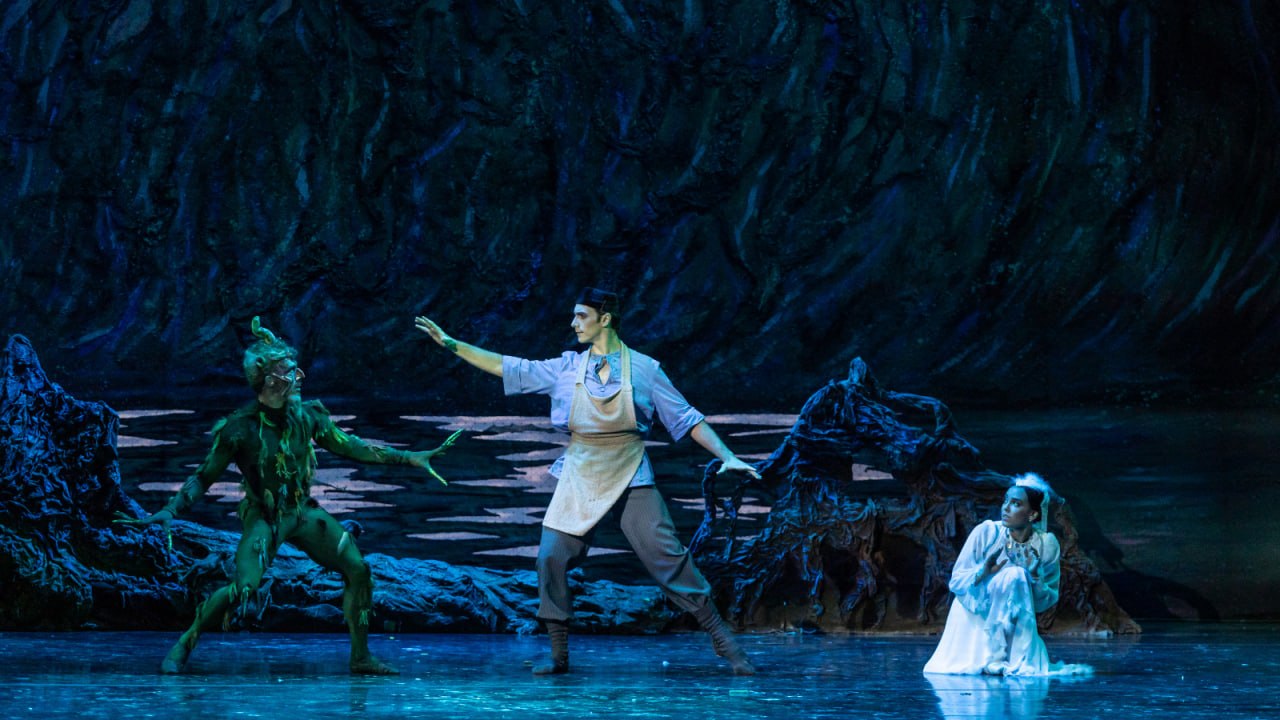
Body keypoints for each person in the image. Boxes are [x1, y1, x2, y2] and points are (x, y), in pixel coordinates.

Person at [414, 288, 760, 675]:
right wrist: (452, 344)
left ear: (605, 319)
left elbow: (687, 418)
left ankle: (724, 642)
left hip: (629, 468)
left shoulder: (645, 369)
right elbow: (508, 367)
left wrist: (728, 456)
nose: (573, 323)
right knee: (550, 557)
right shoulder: (566, 367)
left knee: (667, 556)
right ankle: (558, 654)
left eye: (581, 316)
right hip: (580, 470)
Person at [117, 317, 460, 675]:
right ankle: (186, 642)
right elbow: (204, 476)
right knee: (244, 588)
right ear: (269, 380)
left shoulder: (307, 417)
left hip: (301, 512)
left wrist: (409, 458)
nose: (299, 377)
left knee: (358, 569)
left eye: (297, 369)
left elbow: (353, 447)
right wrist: (171, 509)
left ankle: (360, 656)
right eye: (289, 371)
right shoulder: (240, 429)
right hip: (264, 517)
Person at [923, 473, 1091, 676]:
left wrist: (1034, 578)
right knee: (1014, 574)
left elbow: (1045, 602)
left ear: (1032, 515)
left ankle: (1010, 655)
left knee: (1017, 575)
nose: (1006, 508)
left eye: (1016, 504)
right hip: (977, 613)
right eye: (1006, 501)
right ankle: (991, 655)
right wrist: (983, 572)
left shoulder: (1045, 545)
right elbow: (957, 581)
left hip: (1015, 623)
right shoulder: (987, 533)